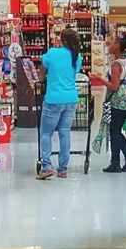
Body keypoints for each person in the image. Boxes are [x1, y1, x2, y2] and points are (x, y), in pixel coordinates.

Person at [37, 28, 82, 179]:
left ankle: (47, 166)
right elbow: (73, 74)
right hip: (71, 99)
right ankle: (62, 169)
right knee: (65, 133)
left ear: (61, 40)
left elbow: (42, 71)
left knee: (46, 133)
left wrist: (42, 79)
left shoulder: (52, 53)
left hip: (53, 99)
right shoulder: (77, 56)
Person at [101, 32, 126, 173]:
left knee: (115, 131)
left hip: (118, 99)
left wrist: (99, 79)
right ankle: (115, 162)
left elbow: (114, 86)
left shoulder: (116, 65)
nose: (109, 44)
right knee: (115, 130)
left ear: (117, 46)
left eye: (112, 42)